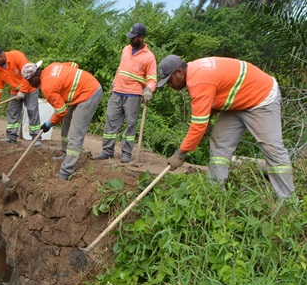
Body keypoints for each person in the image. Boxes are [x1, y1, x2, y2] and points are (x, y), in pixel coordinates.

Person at [158, 55, 295, 198]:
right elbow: (213, 102)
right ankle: (215, 193)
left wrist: (180, 154)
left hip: (261, 97)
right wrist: (207, 122)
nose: (169, 85)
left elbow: (198, 125)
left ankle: (288, 201)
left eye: (169, 80)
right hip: (238, 101)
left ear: (179, 72)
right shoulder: (194, 72)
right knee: (219, 141)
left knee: (272, 149)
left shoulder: (199, 81)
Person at [21, 61, 103, 180]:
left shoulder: (47, 87)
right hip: (82, 91)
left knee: (75, 133)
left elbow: (61, 112)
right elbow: (74, 65)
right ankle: (65, 154)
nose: (31, 85)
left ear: (36, 75)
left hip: (89, 93)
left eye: (30, 81)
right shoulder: (52, 66)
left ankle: (66, 171)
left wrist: (48, 124)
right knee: (66, 125)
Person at [94, 23, 157, 163]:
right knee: (110, 121)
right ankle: (107, 151)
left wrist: (148, 90)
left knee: (130, 124)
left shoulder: (149, 57)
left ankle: (126, 153)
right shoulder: (125, 50)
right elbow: (120, 69)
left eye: (134, 38)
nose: (131, 40)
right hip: (117, 91)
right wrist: (113, 84)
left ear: (141, 37)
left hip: (133, 95)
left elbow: (152, 78)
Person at [0, 47, 42, 146]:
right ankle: (11, 137)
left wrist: (23, 91)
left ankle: (36, 138)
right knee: (12, 111)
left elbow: (28, 73)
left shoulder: (16, 56)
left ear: (0, 56)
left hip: (30, 87)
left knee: (32, 110)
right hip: (15, 91)